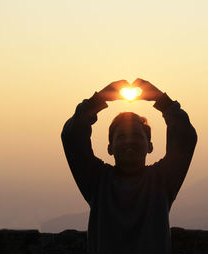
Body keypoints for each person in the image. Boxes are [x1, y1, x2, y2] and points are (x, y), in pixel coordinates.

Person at [61, 78, 197, 254]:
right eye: (122, 136)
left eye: (136, 135)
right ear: (110, 148)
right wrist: (98, 100)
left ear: (150, 146)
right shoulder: (97, 181)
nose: (129, 141)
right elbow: (71, 136)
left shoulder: (163, 180)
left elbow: (186, 136)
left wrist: (163, 101)